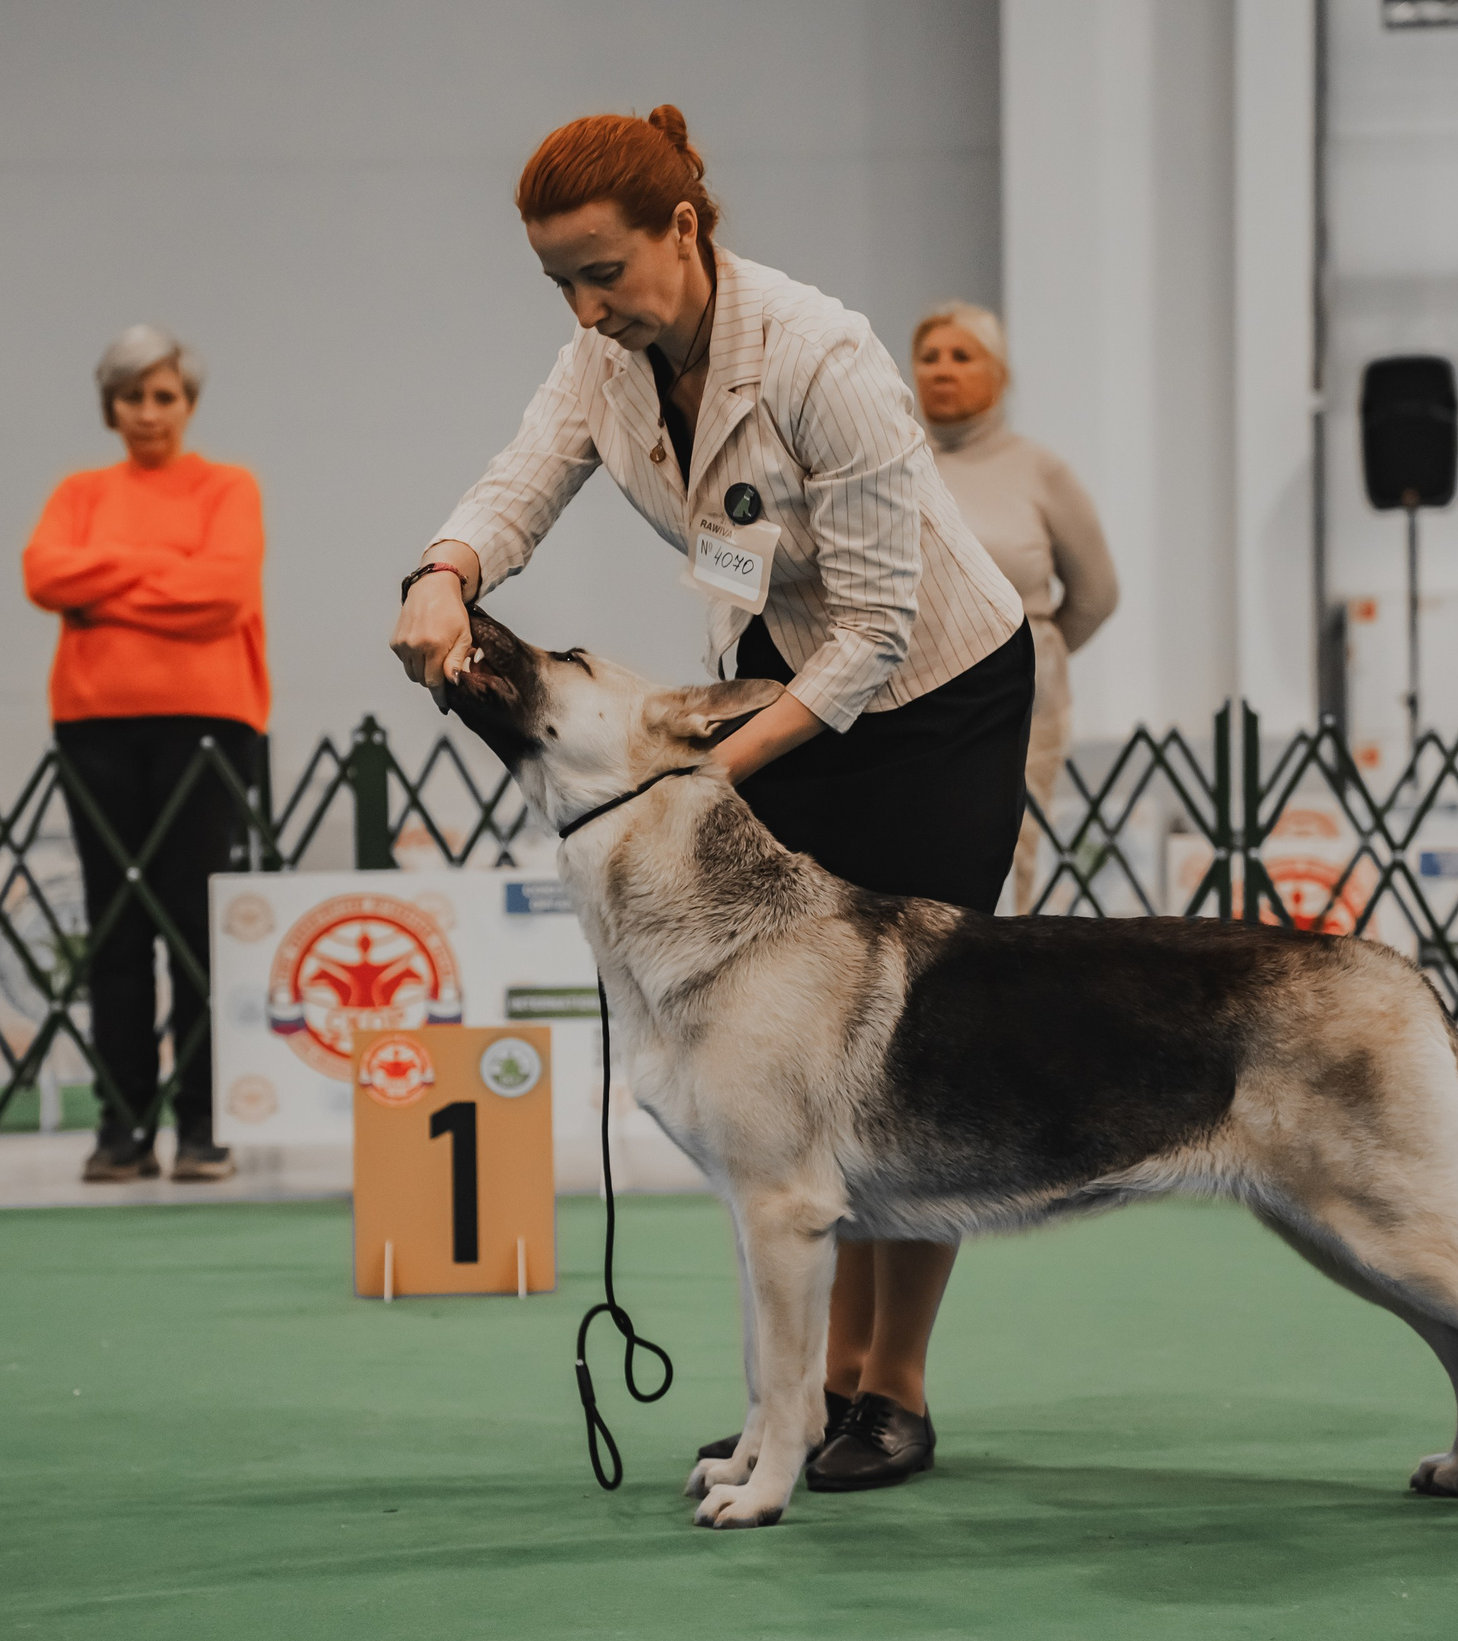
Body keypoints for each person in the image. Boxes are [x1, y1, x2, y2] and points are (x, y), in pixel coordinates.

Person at [391, 107, 1030, 1493]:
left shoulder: (820, 357)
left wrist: (696, 779)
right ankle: (809, 1392)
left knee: (898, 1047)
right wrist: (443, 571)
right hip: (774, 674)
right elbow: (520, 484)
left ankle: (892, 1387)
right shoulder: (601, 359)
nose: (585, 308)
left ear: (681, 227)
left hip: (931, 691)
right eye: (558, 281)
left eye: (602, 271)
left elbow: (876, 628)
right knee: (794, 1055)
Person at [24, 326, 265, 1186]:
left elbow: (224, 592)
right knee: (115, 929)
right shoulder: (77, 492)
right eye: (132, 397)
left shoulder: (228, 487)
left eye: (164, 396)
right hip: (93, 727)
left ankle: (203, 1128)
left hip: (209, 726)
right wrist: (165, 570)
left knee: (195, 927)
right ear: (110, 407)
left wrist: (105, 585)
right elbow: (44, 576)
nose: (149, 412)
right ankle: (120, 1128)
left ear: (188, 405)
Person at [911, 304, 1118, 912]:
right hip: (911, 697)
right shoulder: (894, 464)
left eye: (962, 356)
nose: (942, 370)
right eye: (929, 357)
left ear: (999, 375)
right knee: (918, 860)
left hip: (1020, 701)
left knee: (1005, 858)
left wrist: (1026, 653)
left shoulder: (1041, 469)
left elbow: (1096, 595)